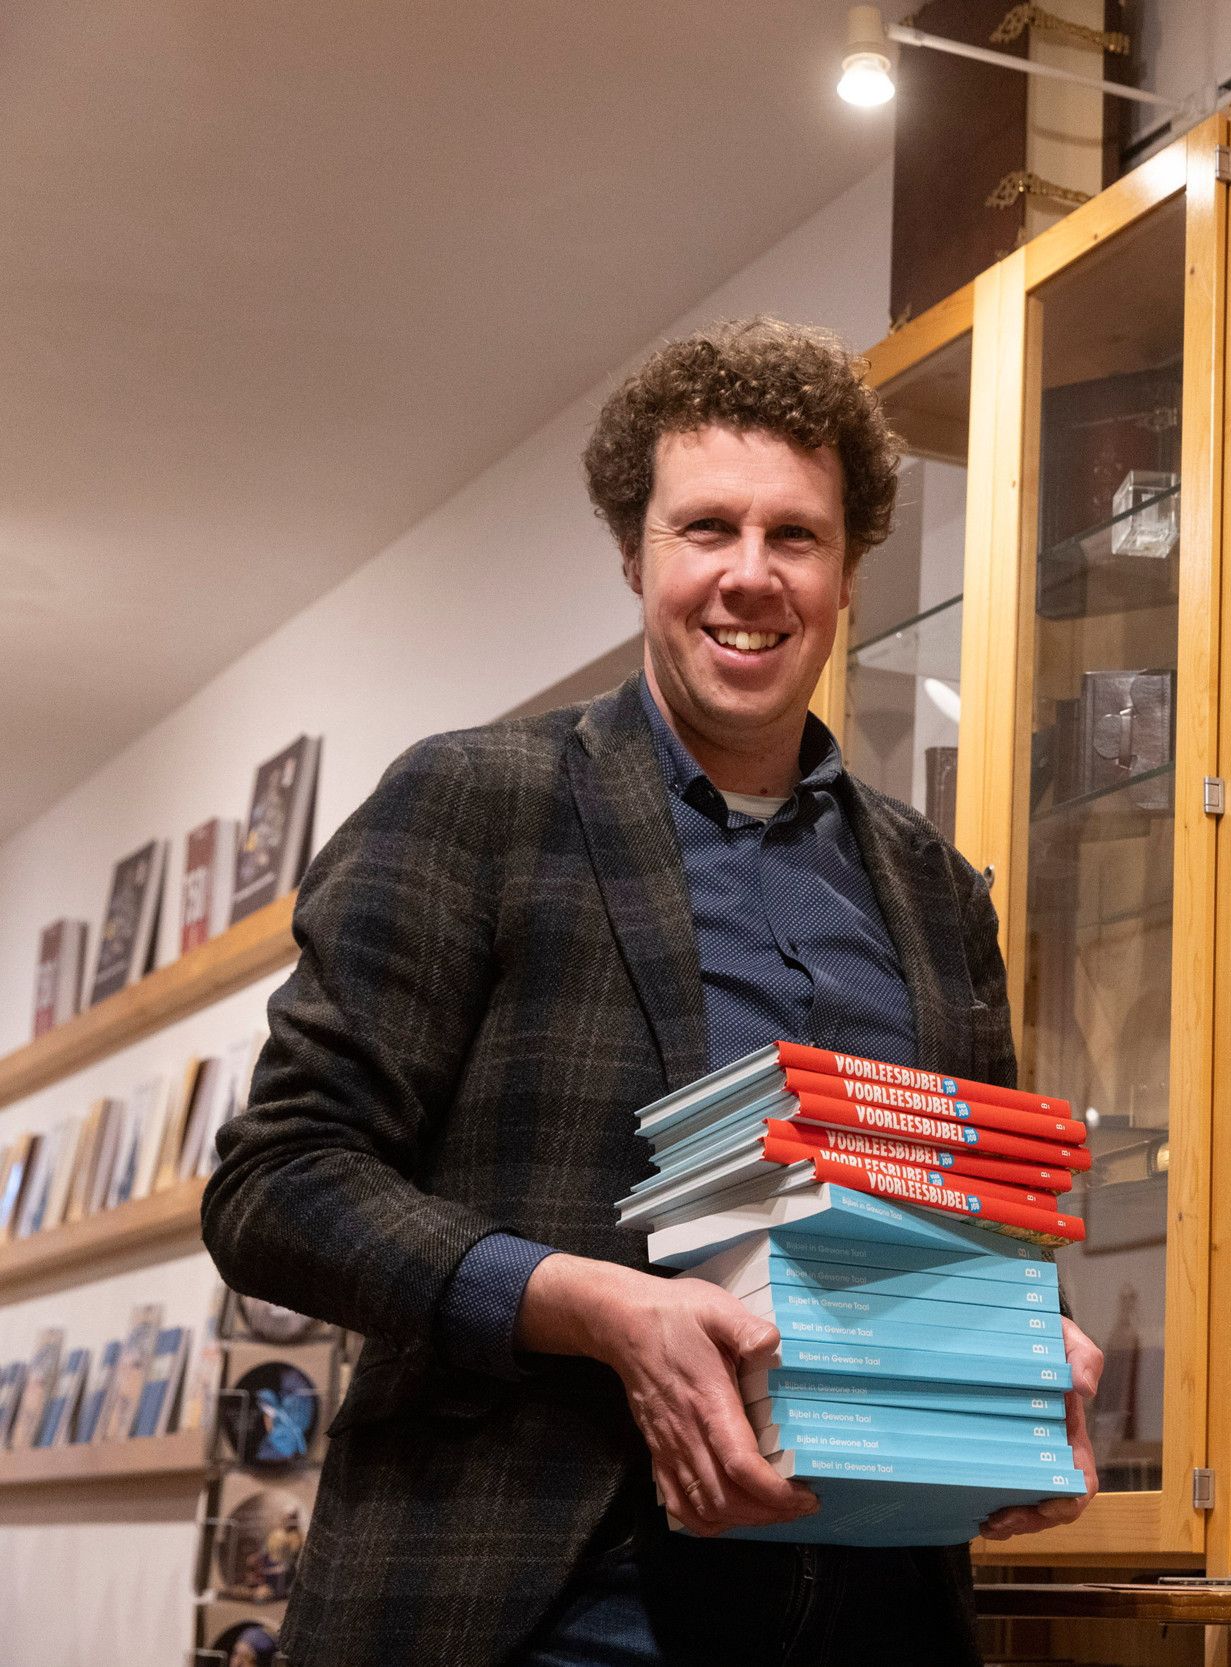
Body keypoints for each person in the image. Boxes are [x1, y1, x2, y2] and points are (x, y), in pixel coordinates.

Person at [202, 317, 1103, 1667]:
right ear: (634, 555)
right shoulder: (475, 799)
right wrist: (601, 1307)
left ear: (848, 570)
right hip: (544, 1600)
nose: (749, 577)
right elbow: (277, 1182)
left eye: (794, 536)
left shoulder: (931, 884)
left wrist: (1035, 1348)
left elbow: (969, 1207)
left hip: (872, 1597)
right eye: (705, 530)